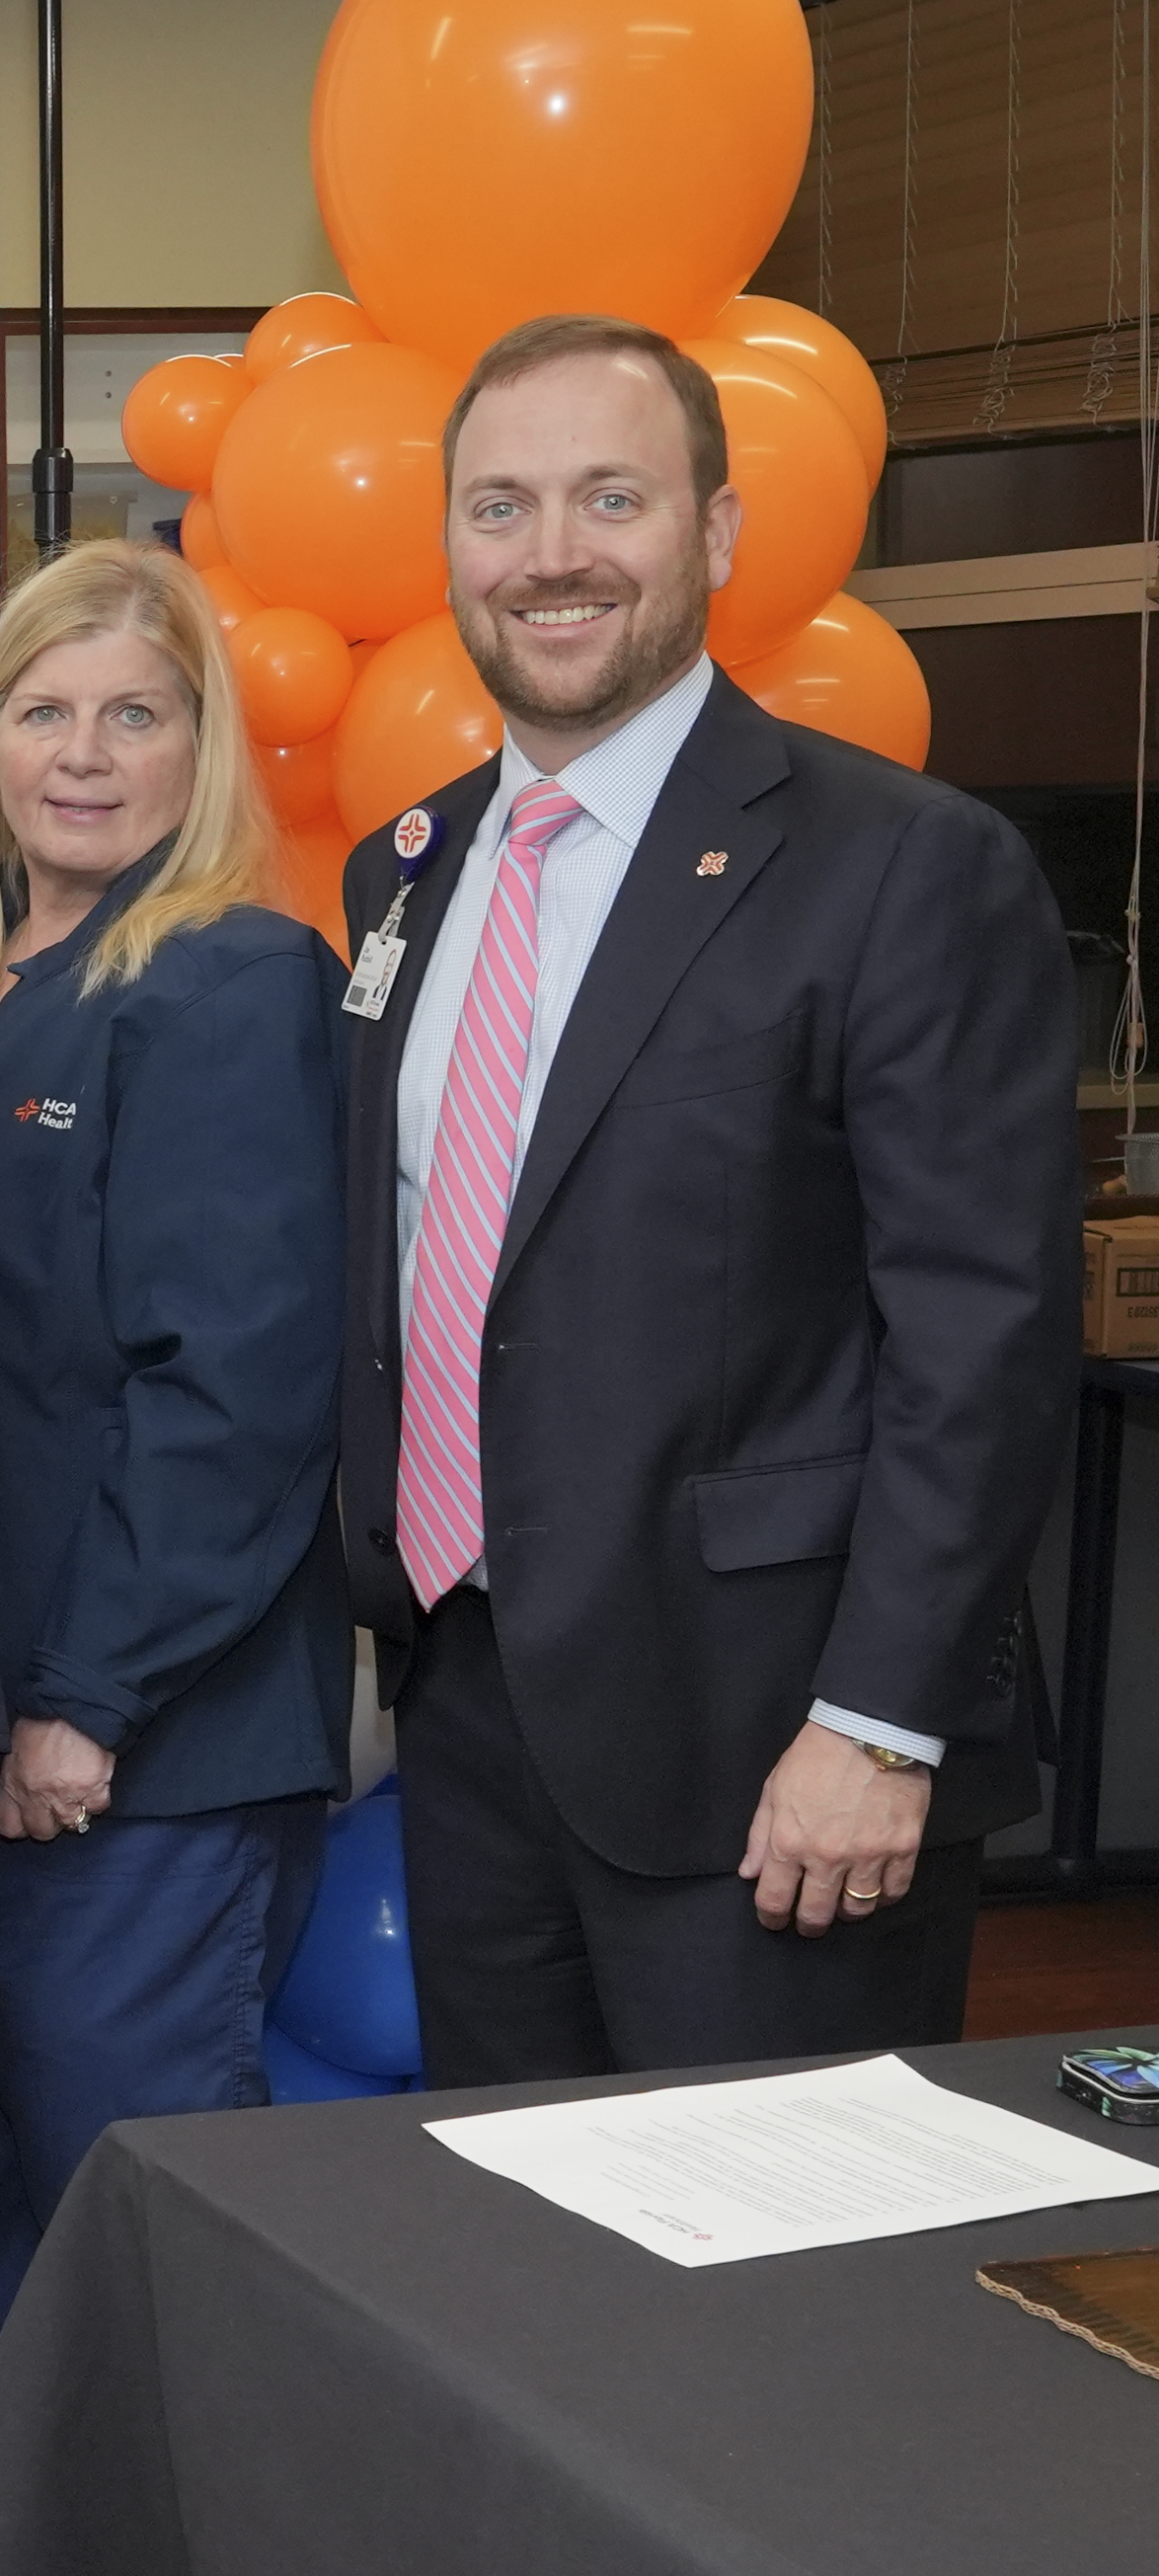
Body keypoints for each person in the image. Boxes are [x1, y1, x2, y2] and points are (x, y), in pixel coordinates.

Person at [334, 317, 1071, 2077]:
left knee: (771, 2309)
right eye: (501, 507)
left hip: (776, 1751)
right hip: (469, 1710)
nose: (554, 555)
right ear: (449, 548)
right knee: (512, 2284)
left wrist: (880, 1724)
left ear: (718, 535)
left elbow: (982, 1335)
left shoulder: (899, 866)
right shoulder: (406, 874)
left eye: (613, 497)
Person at [0, 544, 348, 2442]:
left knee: (137, 2226)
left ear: (204, 748)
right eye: (43, 709)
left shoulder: (232, 979)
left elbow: (235, 1392)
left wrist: (85, 1698)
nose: (84, 756)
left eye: (135, 716)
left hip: (133, 1751)